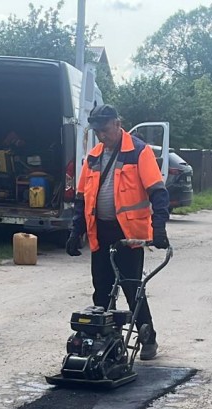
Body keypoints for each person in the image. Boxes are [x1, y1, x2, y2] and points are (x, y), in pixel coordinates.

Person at [66, 104, 170, 360]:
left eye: (105, 130)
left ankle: (148, 339)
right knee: (101, 291)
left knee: (132, 290)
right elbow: (82, 199)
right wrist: (75, 231)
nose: (102, 135)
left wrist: (159, 229)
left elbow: (158, 192)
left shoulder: (138, 151)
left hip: (128, 236)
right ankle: (103, 343)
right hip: (100, 233)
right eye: (97, 131)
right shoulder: (93, 156)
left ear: (117, 123)